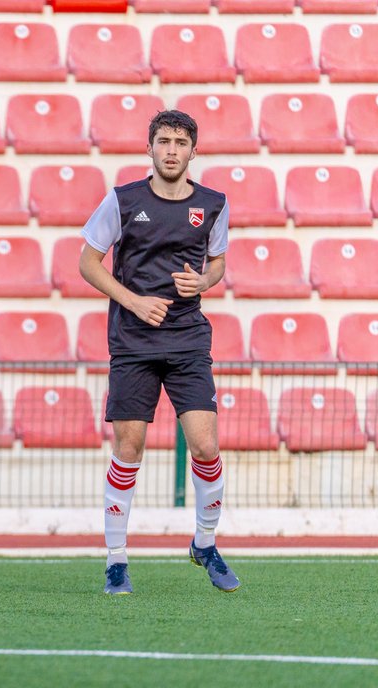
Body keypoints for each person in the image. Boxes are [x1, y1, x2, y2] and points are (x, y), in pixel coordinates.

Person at [78, 109, 240, 595]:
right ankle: (116, 560)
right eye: (163, 141)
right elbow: (88, 263)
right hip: (132, 341)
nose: (172, 150)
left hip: (188, 337)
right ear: (148, 148)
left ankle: (205, 544)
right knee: (129, 449)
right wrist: (132, 300)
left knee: (206, 447)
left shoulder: (213, 204)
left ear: (194, 151)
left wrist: (204, 281)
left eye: (180, 142)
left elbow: (217, 265)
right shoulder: (122, 201)